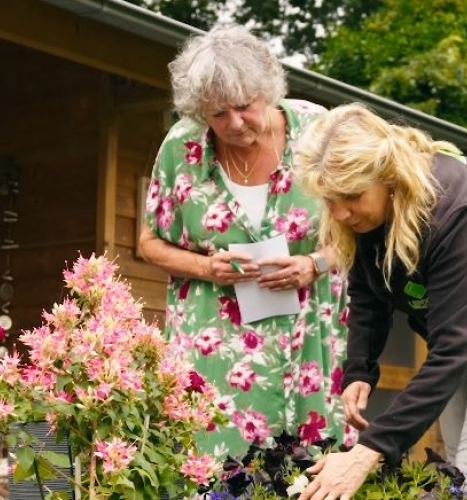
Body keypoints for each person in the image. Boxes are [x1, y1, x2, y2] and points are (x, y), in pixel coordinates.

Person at [292, 104, 467, 500]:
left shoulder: (454, 210)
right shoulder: (365, 215)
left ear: (388, 178)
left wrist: (366, 454)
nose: (339, 212)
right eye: (329, 199)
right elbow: (369, 290)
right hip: (463, 330)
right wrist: (359, 370)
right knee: (455, 471)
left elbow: (452, 351)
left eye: (351, 196)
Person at [137, 25, 348, 460]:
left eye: (243, 107)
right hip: (212, 337)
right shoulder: (181, 146)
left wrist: (314, 264)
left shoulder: (319, 131)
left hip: (309, 331)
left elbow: (361, 228)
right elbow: (149, 242)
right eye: (217, 114)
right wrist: (205, 268)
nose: (233, 124)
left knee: (310, 464)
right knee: (211, 464)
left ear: (266, 91)